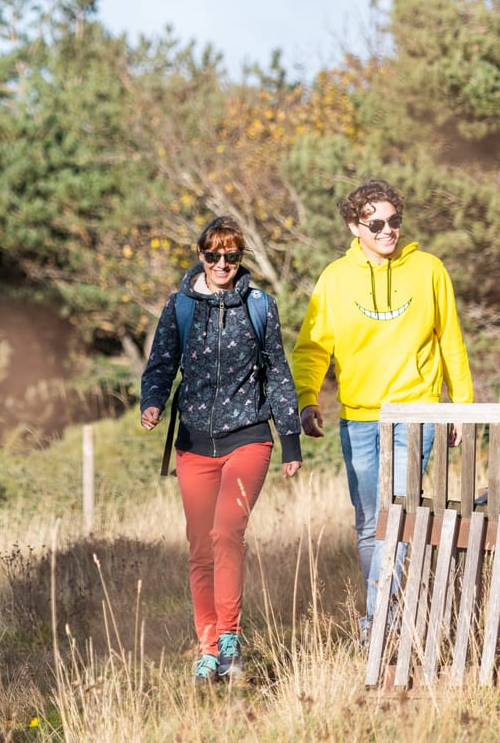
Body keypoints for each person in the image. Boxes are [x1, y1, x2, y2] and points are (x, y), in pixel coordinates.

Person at [290, 179, 473, 641]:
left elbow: (450, 339)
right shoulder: (335, 278)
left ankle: (381, 622)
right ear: (355, 226)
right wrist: (306, 398)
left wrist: (461, 405)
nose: (388, 230)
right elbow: (312, 347)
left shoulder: (429, 269)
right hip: (359, 418)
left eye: (394, 221)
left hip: (417, 414)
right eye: (376, 223)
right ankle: (386, 617)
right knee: (371, 521)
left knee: (401, 514)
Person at [140, 215, 304, 684]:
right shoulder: (179, 307)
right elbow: (160, 364)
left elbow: (277, 372)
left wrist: (289, 438)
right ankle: (207, 649)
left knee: (226, 532)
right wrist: (152, 403)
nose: (222, 263)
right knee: (199, 547)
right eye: (213, 255)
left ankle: (230, 639)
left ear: (240, 258)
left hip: (248, 435)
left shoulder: (259, 305)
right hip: (192, 442)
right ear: (201, 255)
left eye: (231, 256)